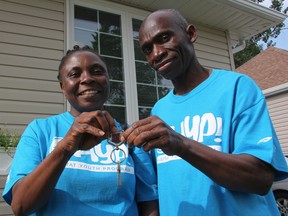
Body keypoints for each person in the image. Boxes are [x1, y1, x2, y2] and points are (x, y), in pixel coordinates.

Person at [121, 9, 288, 216]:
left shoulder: (236, 88)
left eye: (164, 38)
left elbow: (260, 179)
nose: (157, 53)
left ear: (190, 34)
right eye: (147, 50)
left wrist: (181, 144)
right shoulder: (159, 110)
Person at [2, 45, 158, 216]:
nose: (87, 79)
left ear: (108, 80)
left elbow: (149, 206)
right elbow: (21, 206)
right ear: (62, 87)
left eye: (97, 71)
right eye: (75, 74)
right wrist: (65, 149)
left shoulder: (129, 137)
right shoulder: (40, 131)